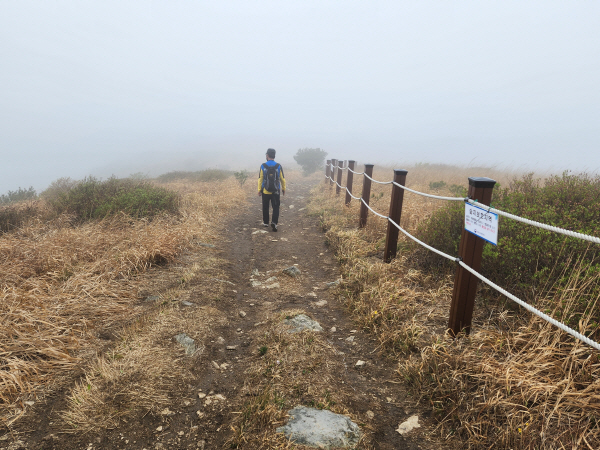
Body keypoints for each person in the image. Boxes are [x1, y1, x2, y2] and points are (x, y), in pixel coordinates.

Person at [258, 148, 286, 232]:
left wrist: (259, 189)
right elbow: (282, 178)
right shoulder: (278, 166)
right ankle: (274, 222)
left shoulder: (263, 166)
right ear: (274, 156)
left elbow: (260, 179)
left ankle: (266, 222)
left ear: (267, 155)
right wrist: (283, 188)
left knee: (265, 206)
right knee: (276, 207)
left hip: (265, 191)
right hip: (276, 191)